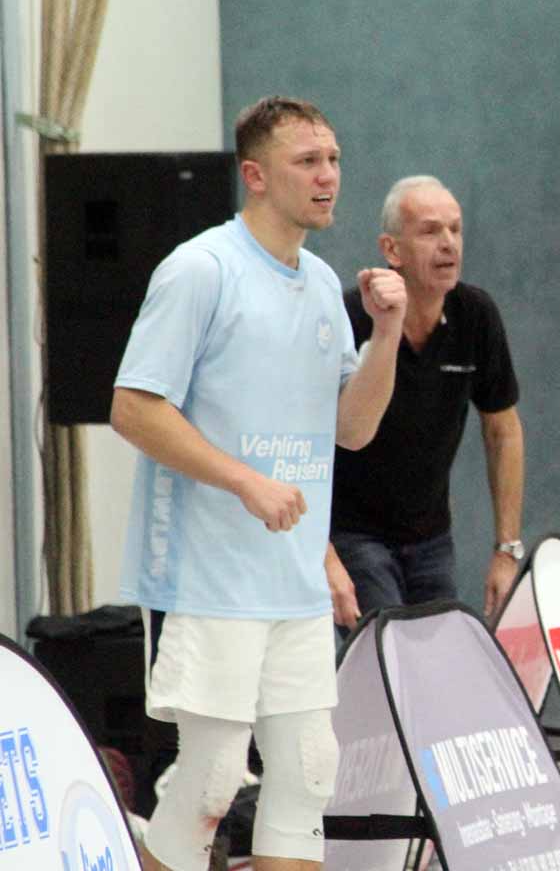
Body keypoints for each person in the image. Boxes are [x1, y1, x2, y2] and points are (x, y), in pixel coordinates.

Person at [111, 95, 407, 871]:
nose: (328, 176)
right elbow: (134, 408)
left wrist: (384, 336)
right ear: (256, 176)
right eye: (307, 162)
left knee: (310, 774)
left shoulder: (319, 286)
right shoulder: (201, 269)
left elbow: (353, 429)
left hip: (294, 581)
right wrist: (245, 481)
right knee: (209, 779)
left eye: (334, 160)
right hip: (211, 576)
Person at [324, 174, 524, 630]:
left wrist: (506, 548)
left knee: (438, 668)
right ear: (391, 250)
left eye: (455, 229)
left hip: (432, 537)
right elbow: (308, 438)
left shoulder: (476, 315)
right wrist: (325, 555)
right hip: (353, 533)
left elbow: (503, 429)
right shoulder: (350, 316)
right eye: (431, 231)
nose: (449, 243)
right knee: (388, 668)